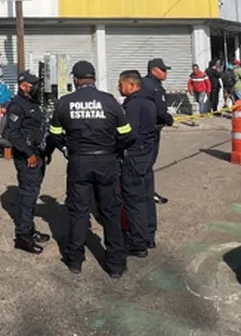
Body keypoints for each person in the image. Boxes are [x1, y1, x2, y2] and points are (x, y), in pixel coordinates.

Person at [47, 61, 134, 278]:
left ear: (75, 80)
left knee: (78, 213)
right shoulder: (110, 101)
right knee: (111, 212)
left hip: (79, 162)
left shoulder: (65, 103)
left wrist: (66, 148)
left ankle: (75, 260)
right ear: (94, 78)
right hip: (107, 161)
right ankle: (115, 265)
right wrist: (112, 149)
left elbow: (54, 134)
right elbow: (127, 135)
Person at [5, 71, 53, 254]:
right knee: (28, 196)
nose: (37, 88)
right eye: (33, 85)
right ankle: (22, 236)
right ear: (24, 86)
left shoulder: (33, 104)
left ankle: (30, 230)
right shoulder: (17, 106)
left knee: (33, 194)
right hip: (27, 157)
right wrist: (28, 154)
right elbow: (13, 133)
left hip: (38, 154)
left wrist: (45, 151)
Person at [118, 70, 159, 255]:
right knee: (146, 196)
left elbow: (129, 133)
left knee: (134, 200)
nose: (119, 87)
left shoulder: (133, 105)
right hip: (147, 155)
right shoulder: (149, 101)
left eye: (121, 84)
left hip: (134, 156)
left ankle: (138, 243)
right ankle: (149, 235)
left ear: (131, 85)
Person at [139, 57, 174, 204]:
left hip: (140, 129)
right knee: (147, 164)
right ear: (154, 70)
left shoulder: (142, 83)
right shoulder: (154, 87)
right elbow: (160, 111)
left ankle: (144, 192)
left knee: (143, 164)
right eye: (163, 70)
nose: (166, 73)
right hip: (150, 131)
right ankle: (146, 194)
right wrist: (169, 119)